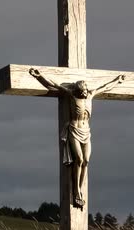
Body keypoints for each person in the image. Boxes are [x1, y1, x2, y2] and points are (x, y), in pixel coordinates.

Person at [28, 68, 126, 207]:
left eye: (85, 90)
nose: (84, 92)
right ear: (78, 90)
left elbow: (105, 87)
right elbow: (54, 85)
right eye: (82, 90)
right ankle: (77, 191)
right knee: (78, 159)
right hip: (74, 130)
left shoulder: (91, 94)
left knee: (86, 160)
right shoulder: (72, 96)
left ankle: (80, 187)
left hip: (86, 132)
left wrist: (117, 80)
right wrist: (39, 76)